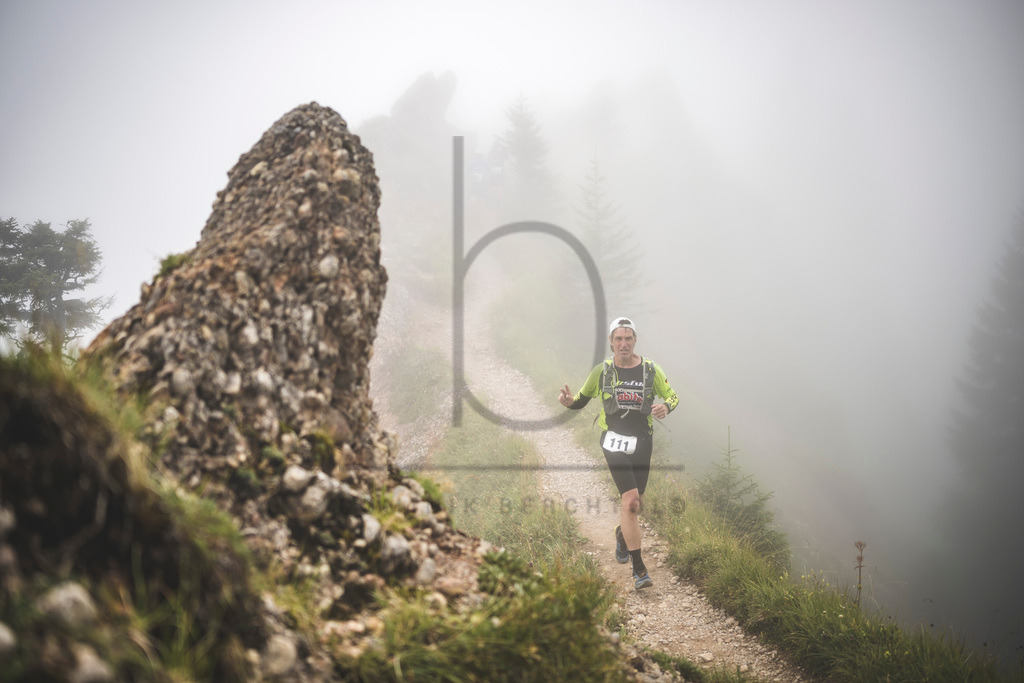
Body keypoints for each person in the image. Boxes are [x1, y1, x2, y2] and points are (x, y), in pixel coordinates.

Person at [558, 316, 679, 589]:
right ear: (611, 342)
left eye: (628, 338)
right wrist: (568, 402)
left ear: (635, 340)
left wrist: (666, 408)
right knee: (631, 502)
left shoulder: (650, 369)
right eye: (618, 338)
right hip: (612, 441)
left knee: (638, 502)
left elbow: (673, 396)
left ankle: (621, 534)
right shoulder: (602, 371)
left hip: (642, 442)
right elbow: (580, 400)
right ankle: (639, 570)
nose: (623, 343)